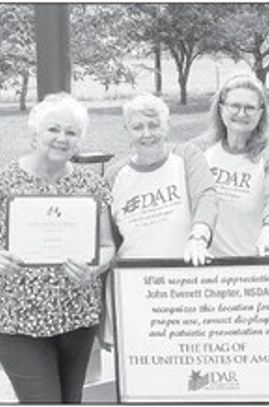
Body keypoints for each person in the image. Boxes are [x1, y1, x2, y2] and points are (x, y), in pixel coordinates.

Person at [0, 93, 115, 403]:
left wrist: (95, 267)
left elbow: (106, 246)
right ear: (35, 133)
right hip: (17, 321)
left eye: (71, 132)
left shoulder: (92, 185)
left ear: (79, 141)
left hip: (77, 318)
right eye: (53, 129)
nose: (62, 138)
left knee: (70, 400)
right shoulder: (1, 180)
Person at [101, 93, 217, 345]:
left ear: (167, 126)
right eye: (137, 127)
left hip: (187, 290)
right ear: (127, 130)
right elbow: (107, 240)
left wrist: (199, 237)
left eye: (154, 125)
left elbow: (206, 198)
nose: (146, 134)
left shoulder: (186, 157)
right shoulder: (114, 176)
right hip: (136, 292)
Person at [193, 74, 269, 257]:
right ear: (221, 108)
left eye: (250, 108)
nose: (241, 114)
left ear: (261, 112)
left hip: (250, 269)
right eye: (234, 106)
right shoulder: (198, 150)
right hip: (203, 265)